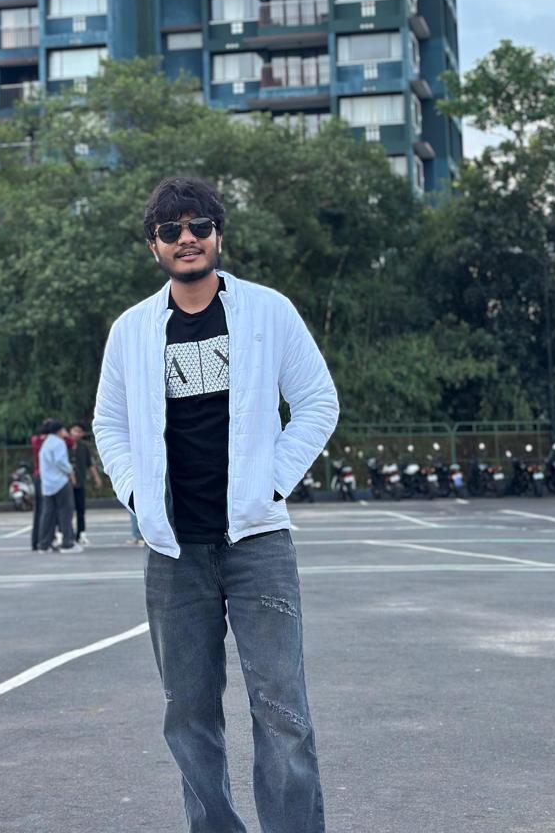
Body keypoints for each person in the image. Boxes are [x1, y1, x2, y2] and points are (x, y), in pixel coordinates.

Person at [94, 175, 338, 833]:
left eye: (198, 226)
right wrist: (141, 496)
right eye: (170, 230)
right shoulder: (132, 331)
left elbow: (318, 403)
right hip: (175, 550)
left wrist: (272, 482)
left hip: (258, 544)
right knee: (189, 713)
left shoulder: (267, 313)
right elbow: (109, 425)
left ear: (218, 235)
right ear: (154, 248)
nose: (186, 239)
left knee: (281, 710)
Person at [37, 421, 81, 554]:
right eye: (64, 430)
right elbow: (60, 461)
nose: (66, 433)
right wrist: (70, 471)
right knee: (65, 512)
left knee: (48, 514)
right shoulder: (58, 442)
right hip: (60, 482)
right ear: (59, 431)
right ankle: (68, 543)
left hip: (47, 484)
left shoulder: (46, 443)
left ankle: (44, 544)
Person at [68, 421, 102, 546]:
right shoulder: (64, 445)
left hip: (80, 482)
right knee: (67, 510)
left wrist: (96, 478)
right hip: (66, 485)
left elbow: (90, 465)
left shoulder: (83, 447)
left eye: (79, 431)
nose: (77, 433)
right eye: (74, 430)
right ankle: (66, 534)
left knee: (80, 510)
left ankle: (81, 534)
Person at [30, 421, 48, 552]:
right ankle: (43, 540)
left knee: (38, 511)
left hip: (37, 476)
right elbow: (70, 442)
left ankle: (35, 541)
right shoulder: (49, 441)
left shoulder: (35, 440)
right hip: (44, 477)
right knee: (45, 511)